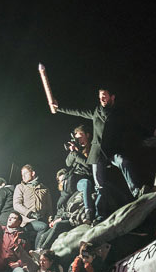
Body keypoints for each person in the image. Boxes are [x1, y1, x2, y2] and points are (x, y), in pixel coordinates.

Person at [52, 87, 143, 217]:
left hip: (111, 151)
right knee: (100, 186)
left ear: (112, 97)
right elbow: (78, 111)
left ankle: (136, 191)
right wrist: (59, 107)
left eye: (104, 96)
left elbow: (133, 126)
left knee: (124, 161)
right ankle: (98, 214)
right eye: (100, 97)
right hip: (98, 154)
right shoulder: (96, 112)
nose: (102, 99)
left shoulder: (118, 114)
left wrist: (152, 133)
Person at [13, 165, 53, 249]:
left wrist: (50, 219)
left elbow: (49, 208)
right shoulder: (20, 187)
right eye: (22, 174)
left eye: (25, 173)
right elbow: (16, 204)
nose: (23, 176)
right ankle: (37, 251)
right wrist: (30, 213)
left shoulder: (44, 189)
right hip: (27, 222)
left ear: (33, 173)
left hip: (42, 220)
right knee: (43, 227)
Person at [65, 124, 98, 223]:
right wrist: (73, 152)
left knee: (86, 182)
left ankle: (88, 212)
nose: (79, 140)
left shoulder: (93, 148)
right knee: (84, 183)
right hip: (78, 181)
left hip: (89, 178)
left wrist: (77, 154)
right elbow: (68, 163)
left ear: (87, 135)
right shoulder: (78, 150)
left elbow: (89, 165)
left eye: (81, 137)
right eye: (77, 138)